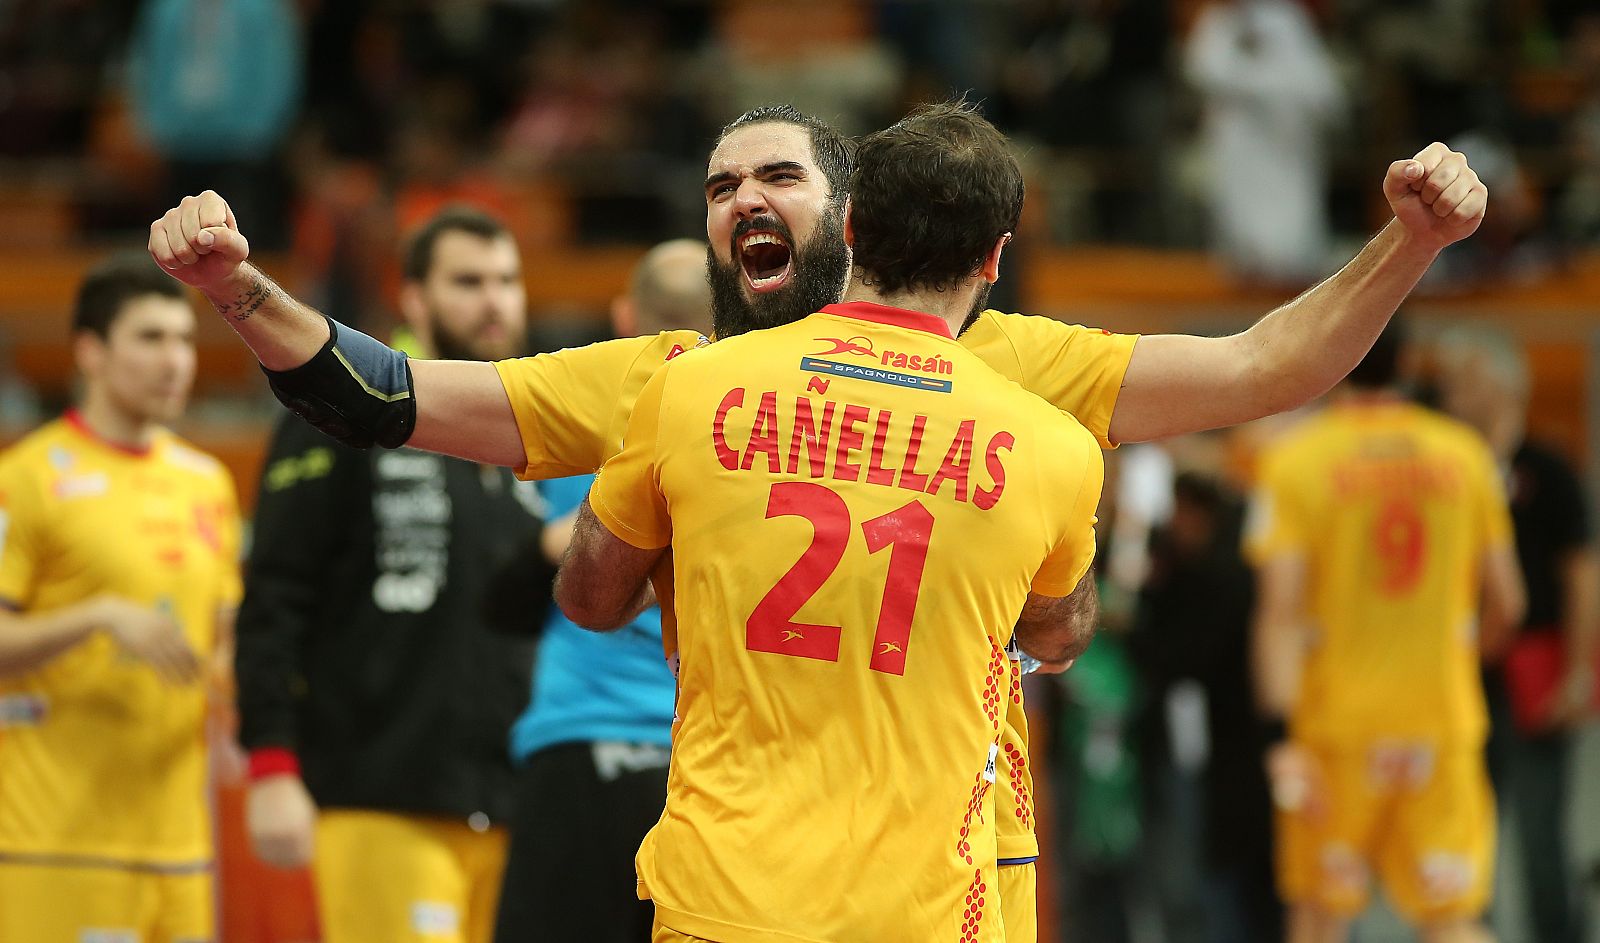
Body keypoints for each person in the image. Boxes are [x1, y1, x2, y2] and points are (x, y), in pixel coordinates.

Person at [149, 103, 1487, 937]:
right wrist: (241, 289)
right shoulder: (665, 379)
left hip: (945, 855)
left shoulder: (999, 361)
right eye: (722, 185)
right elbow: (382, 395)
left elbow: (1266, 366)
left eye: (774, 174)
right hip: (735, 835)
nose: (744, 200)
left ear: (849, 218)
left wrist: (1406, 247)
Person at [555, 101, 1104, 942]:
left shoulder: (691, 386)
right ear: (995, 258)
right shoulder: (1054, 446)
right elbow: (1059, 637)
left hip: (721, 895)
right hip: (920, 908)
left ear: (848, 227)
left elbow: (590, 597)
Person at [236, 207, 549, 943]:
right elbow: (276, 594)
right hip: (380, 796)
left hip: (509, 804)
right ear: (413, 296)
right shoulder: (343, 412)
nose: (495, 300)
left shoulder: (532, 430)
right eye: (468, 281)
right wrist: (272, 760)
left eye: (508, 280)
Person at [1246, 323, 1526, 943]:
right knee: (1451, 919)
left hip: (1334, 733)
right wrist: (1453, 662)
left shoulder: (1295, 461)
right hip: (1440, 724)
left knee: (1321, 915)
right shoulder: (1466, 455)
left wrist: (1278, 733)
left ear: (1335, 358)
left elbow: (1279, 613)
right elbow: (1508, 602)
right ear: (1406, 363)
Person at [0, 253, 242, 943]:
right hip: (54, 847)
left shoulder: (208, 483)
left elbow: (222, 640)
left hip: (181, 851)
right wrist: (97, 615)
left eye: (184, 339)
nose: (175, 361)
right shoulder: (26, 479)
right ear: (91, 353)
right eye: (150, 338)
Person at [493, 239, 710, 943]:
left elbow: (505, 599)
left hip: (579, 748)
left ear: (625, 318)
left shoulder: (574, 438)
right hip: (710, 765)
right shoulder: (765, 439)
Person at [1439, 328, 1598, 943]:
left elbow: (1581, 577)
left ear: (1502, 386)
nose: (1451, 389)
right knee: (1462, 838)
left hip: (1535, 669)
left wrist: (1579, 671)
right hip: (1463, 675)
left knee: (1539, 837)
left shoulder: (1549, 470)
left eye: (1465, 377)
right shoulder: (1448, 466)